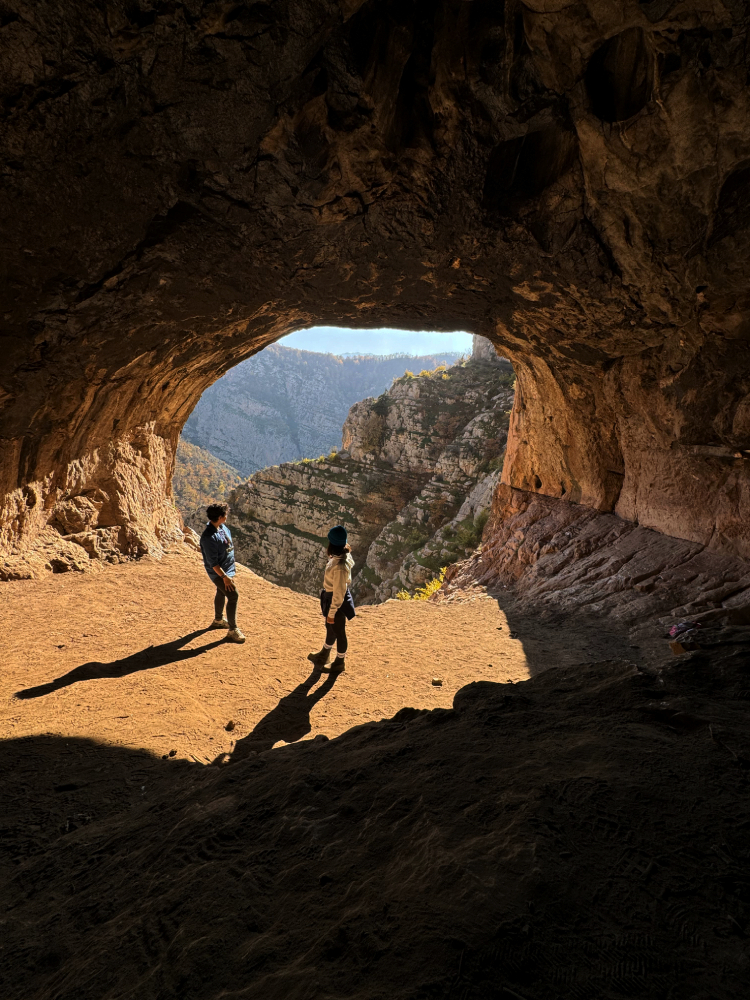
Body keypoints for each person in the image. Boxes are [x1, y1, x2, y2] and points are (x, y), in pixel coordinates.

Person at [308, 525, 355, 673]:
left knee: (339, 631)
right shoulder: (340, 557)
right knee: (330, 627)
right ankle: (324, 653)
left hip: (336, 601)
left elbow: (339, 593)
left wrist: (332, 612)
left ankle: (339, 662)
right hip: (330, 598)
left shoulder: (340, 566)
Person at [199, 503, 246, 643]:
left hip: (227, 569)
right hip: (219, 573)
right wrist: (224, 577)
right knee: (233, 595)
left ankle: (218, 620)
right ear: (220, 517)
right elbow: (213, 563)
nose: (227, 517)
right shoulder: (208, 537)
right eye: (225, 514)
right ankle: (232, 630)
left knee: (221, 592)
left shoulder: (221, 527)